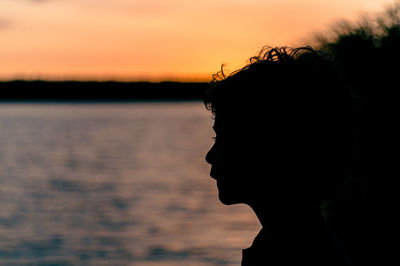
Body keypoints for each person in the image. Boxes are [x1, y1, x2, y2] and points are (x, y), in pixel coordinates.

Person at [204, 47, 353, 266]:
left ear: (269, 148)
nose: (209, 156)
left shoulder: (290, 253)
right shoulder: (303, 240)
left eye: (225, 139)